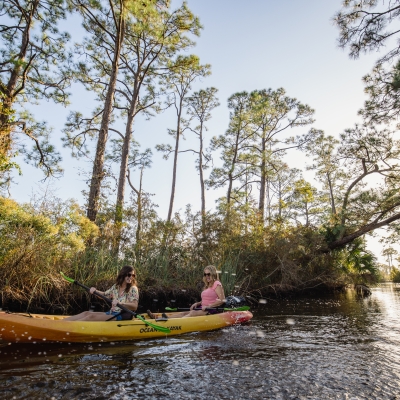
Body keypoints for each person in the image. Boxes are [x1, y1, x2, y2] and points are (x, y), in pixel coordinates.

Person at [63, 265, 139, 321]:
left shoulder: (133, 289)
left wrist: (121, 303)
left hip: (123, 315)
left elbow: (134, 306)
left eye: (133, 275)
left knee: (90, 317)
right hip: (112, 312)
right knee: (87, 313)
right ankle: (60, 322)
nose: (131, 277)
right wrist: (95, 291)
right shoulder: (116, 287)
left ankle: (68, 327)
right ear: (123, 274)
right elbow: (104, 295)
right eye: (129, 275)